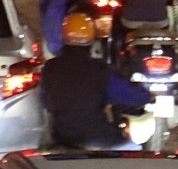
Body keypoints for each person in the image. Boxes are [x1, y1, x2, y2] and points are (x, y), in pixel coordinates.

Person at [43, 10, 151, 150]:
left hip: (62, 138)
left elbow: (45, 101)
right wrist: (148, 96)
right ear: (91, 39)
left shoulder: (50, 67)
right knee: (135, 150)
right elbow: (129, 95)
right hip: (98, 138)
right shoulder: (99, 69)